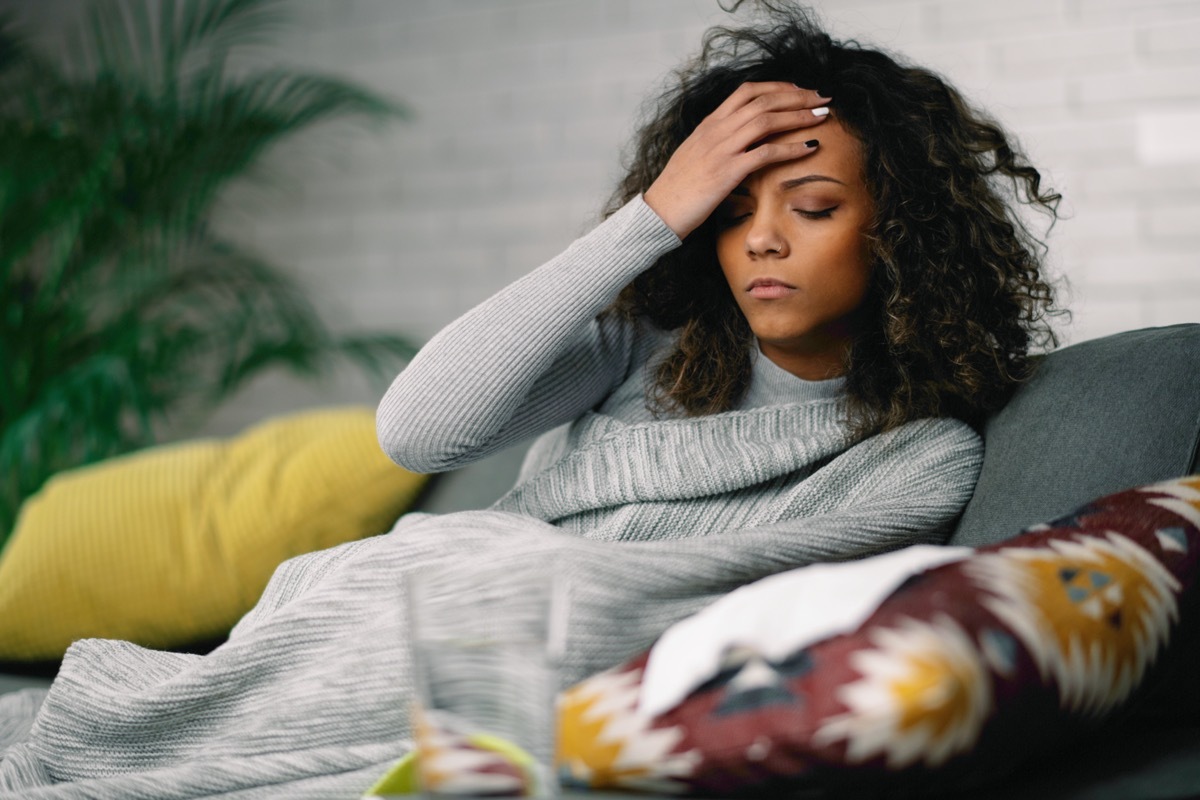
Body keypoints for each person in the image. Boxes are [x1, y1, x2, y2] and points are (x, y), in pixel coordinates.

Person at [0, 5, 1062, 798]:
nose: (764, 239)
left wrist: (524, 597)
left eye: (814, 205)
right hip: (399, 607)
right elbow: (416, 428)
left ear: (900, 232)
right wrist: (649, 219)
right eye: (729, 211)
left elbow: (707, 599)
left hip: (526, 653)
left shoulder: (919, 454)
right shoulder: (655, 340)